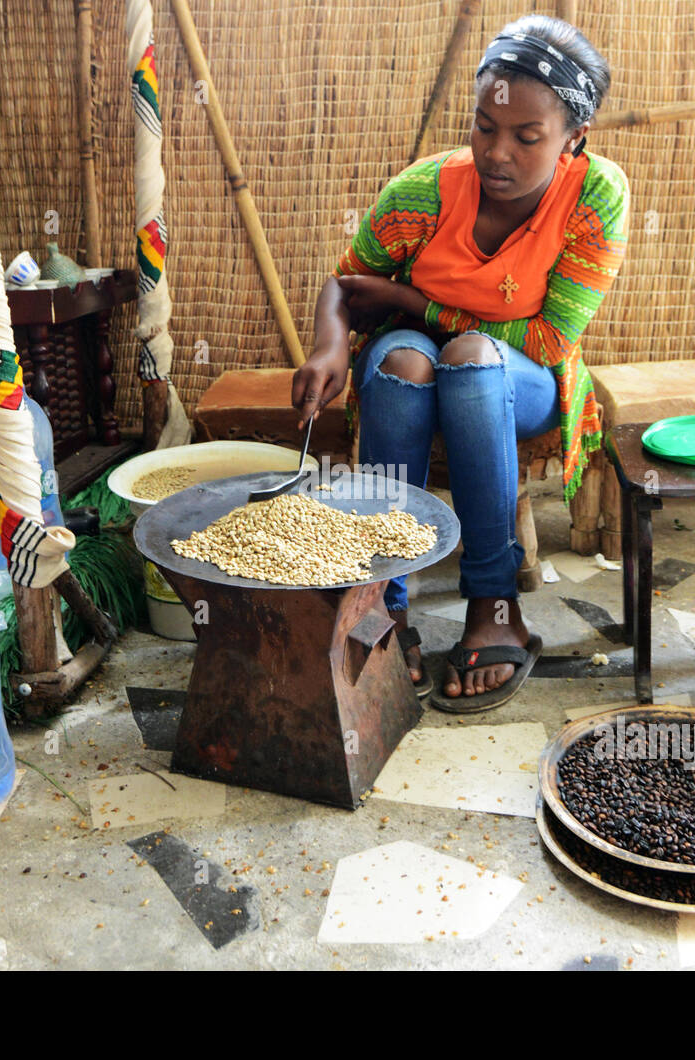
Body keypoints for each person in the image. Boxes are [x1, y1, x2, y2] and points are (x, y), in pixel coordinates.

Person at [292, 13, 629, 713]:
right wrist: (328, 349)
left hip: (521, 383)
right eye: (484, 127)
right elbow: (345, 285)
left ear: (574, 140)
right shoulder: (426, 190)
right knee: (404, 366)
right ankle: (385, 605)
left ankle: (493, 606)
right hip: (410, 364)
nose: (497, 152)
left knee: (472, 361)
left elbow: (545, 343)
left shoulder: (595, 199)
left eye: (527, 137)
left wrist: (420, 302)